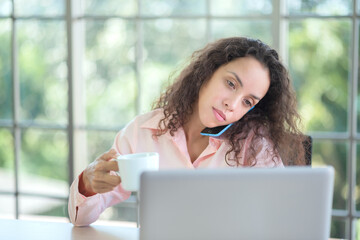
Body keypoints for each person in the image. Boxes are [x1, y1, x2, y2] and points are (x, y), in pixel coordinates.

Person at [68, 37, 306, 226]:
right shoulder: (143, 131)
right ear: (207, 73)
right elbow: (80, 219)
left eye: (247, 102)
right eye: (231, 84)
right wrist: (87, 185)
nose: (232, 104)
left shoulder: (255, 145)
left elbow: (281, 220)